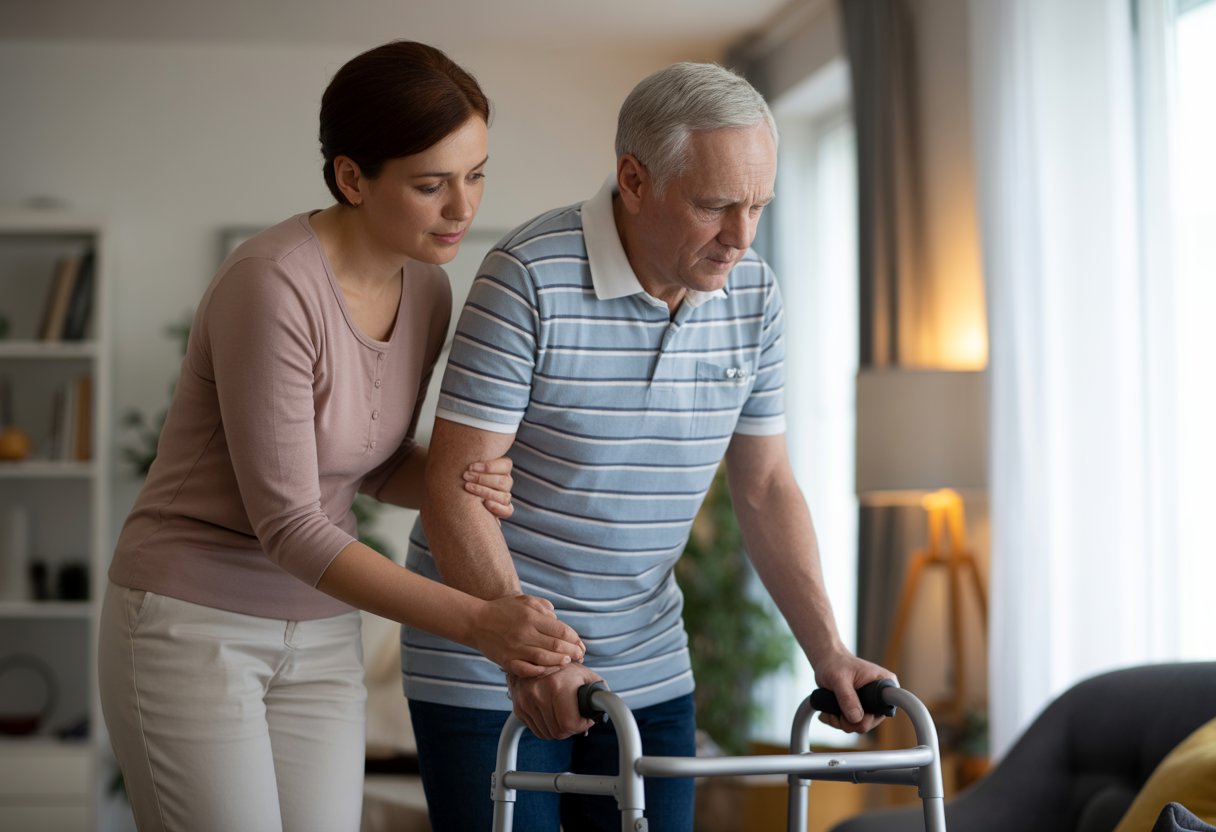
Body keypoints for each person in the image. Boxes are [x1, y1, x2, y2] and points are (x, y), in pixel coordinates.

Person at [97, 41, 584, 832]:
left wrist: (453, 478)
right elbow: (289, 522)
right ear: (353, 178)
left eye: (476, 173)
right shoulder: (272, 284)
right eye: (431, 184)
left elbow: (369, 459)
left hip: (322, 629)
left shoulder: (427, 287)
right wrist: (478, 622)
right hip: (193, 624)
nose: (462, 207)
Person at [401, 61, 896, 831]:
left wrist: (828, 651)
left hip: (648, 659)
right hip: (488, 660)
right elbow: (456, 489)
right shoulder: (528, 277)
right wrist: (532, 658)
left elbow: (764, 487)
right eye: (716, 206)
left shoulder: (754, 294)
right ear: (634, 179)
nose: (741, 236)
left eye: (759, 206)